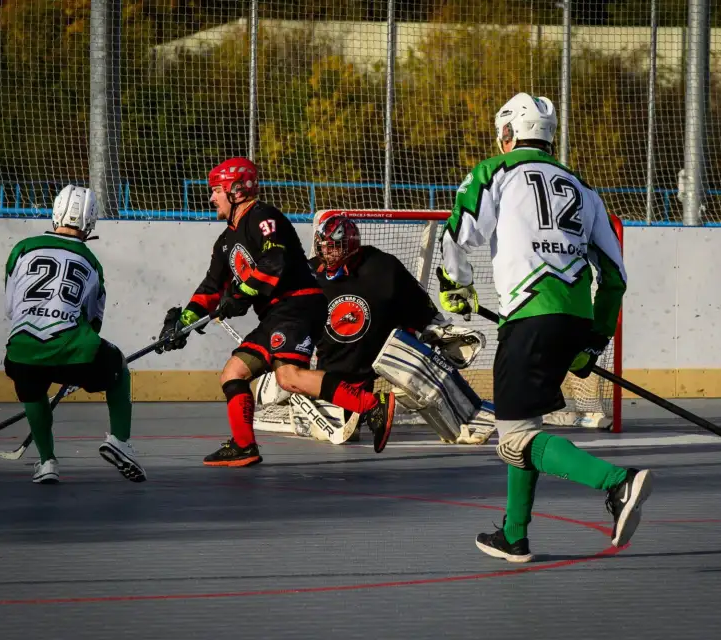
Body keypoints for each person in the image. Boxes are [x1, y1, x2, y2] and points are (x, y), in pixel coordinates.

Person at [437, 93, 652, 562]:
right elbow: (614, 277)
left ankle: (617, 482)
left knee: (513, 438)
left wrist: (455, 284)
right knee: (525, 426)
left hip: (530, 318)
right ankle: (515, 534)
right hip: (574, 318)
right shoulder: (583, 188)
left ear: (509, 133)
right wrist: (592, 341)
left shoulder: (495, 171)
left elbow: (459, 232)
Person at [156, 158, 396, 466]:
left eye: (216, 190)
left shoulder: (263, 217)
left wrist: (240, 293)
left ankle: (371, 406)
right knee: (234, 372)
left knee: (289, 376)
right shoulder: (225, 242)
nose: (211, 197)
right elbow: (211, 287)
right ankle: (245, 447)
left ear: (236, 190)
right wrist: (184, 322)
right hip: (275, 314)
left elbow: (275, 262)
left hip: (297, 304)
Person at [289, 213, 490, 444]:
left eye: (335, 247)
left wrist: (437, 329)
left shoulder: (382, 266)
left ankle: (461, 418)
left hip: (370, 369)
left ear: (352, 245)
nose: (328, 252)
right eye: (324, 247)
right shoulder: (309, 273)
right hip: (329, 378)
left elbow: (417, 304)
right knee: (330, 433)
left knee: (416, 364)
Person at [3, 185, 145, 484]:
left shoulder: (22, 248)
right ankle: (120, 440)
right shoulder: (91, 261)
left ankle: (47, 462)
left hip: (21, 350)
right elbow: (93, 323)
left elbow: (11, 308)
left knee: (32, 383)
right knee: (117, 362)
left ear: (55, 213)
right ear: (90, 222)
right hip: (72, 349)